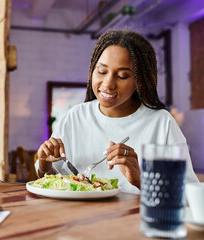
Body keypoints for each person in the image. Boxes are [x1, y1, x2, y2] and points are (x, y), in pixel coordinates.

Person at [36, 30, 198, 193]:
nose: (108, 84)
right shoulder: (75, 117)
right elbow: (52, 182)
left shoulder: (161, 122)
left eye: (121, 76)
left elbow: (188, 194)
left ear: (139, 81)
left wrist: (140, 180)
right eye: (102, 71)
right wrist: (45, 164)